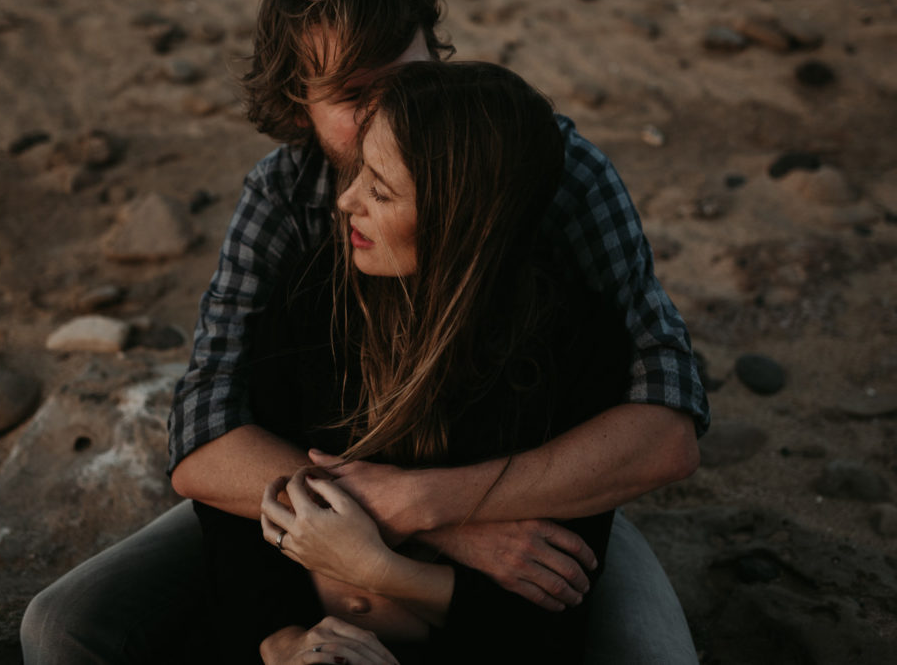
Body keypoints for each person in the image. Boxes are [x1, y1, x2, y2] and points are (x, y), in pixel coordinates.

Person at [20, 0, 708, 662]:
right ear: (300, 105)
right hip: (321, 512)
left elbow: (665, 426)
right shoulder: (293, 224)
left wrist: (427, 503)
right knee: (64, 627)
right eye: (352, 96)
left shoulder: (545, 173)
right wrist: (415, 526)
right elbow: (208, 435)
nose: (389, 109)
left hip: (536, 497)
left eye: (402, 76)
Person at [197, 59, 638, 664]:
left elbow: (545, 623)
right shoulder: (313, 294)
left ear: (464, 220)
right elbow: (235, 515)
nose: (347, 201)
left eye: (379, 190)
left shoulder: (575, 351)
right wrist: (281, 640)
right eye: (357, 175)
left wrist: (372, 565)